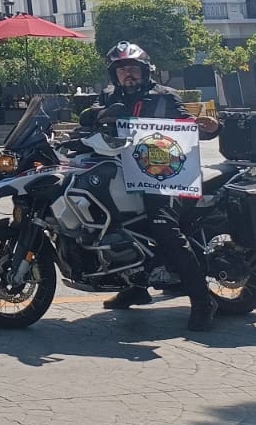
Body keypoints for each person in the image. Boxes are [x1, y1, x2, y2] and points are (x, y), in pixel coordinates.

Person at [83, 42, 222, 332]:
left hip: (161, 175)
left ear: (145, 72)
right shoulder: (109, 96)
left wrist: (207, 126)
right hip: (120, 172)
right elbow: (89, 119)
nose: (128, 75)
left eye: (133, 69)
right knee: (114, 223)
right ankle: (135, 286)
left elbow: (186, 125)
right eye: (122, 71)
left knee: (163, 227)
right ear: (114, 75)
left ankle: (203, 301)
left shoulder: (164, 97)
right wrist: (95, 116)